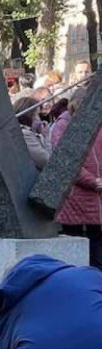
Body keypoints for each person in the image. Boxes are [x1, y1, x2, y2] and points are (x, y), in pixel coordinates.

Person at [49, 88, 102, 268]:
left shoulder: (97, 125)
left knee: (97, 251)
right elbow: (66, 161)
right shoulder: (63, 126)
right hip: (75, 196)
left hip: (97, 198)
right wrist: (93, 181)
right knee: (78, 252)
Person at [13, 96, 50, 169]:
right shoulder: (25, 134)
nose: (38, 119)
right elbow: (47, 161)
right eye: (36, 114)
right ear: (29, 115)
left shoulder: (26, 132)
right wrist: (46, 136)